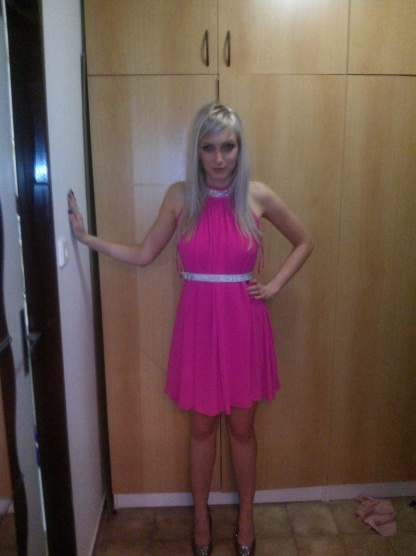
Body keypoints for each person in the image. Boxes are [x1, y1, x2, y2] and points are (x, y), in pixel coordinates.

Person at [68, 103, 313, 556]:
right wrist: (86, 240)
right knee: (201, 431)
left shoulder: (257, 195)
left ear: (239, 148)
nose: (219, 159)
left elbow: (304, 240)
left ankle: (245, 518)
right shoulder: (181, 197)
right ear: (196, 151)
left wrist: (274, 285)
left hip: (244, 325)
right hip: (198, 326)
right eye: (208, 148)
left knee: (242, 431)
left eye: (228, 147)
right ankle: (201, 518)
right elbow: (144, 254)